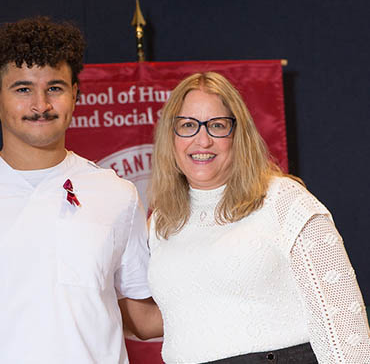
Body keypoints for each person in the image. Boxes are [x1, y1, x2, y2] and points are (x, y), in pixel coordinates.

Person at [0, 16, 162, 363]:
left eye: (55, 88)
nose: (41, 105)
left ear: (75, 95)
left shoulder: (117, 195)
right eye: (23, 89)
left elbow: (141, 319)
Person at [147, 71, 370, 363]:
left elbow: (344, 327)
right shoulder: (162, 222)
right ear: (170, 136)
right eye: (188, 125)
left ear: (238, 134)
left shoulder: (284, 200)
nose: (202, 140)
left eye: (217, 126)